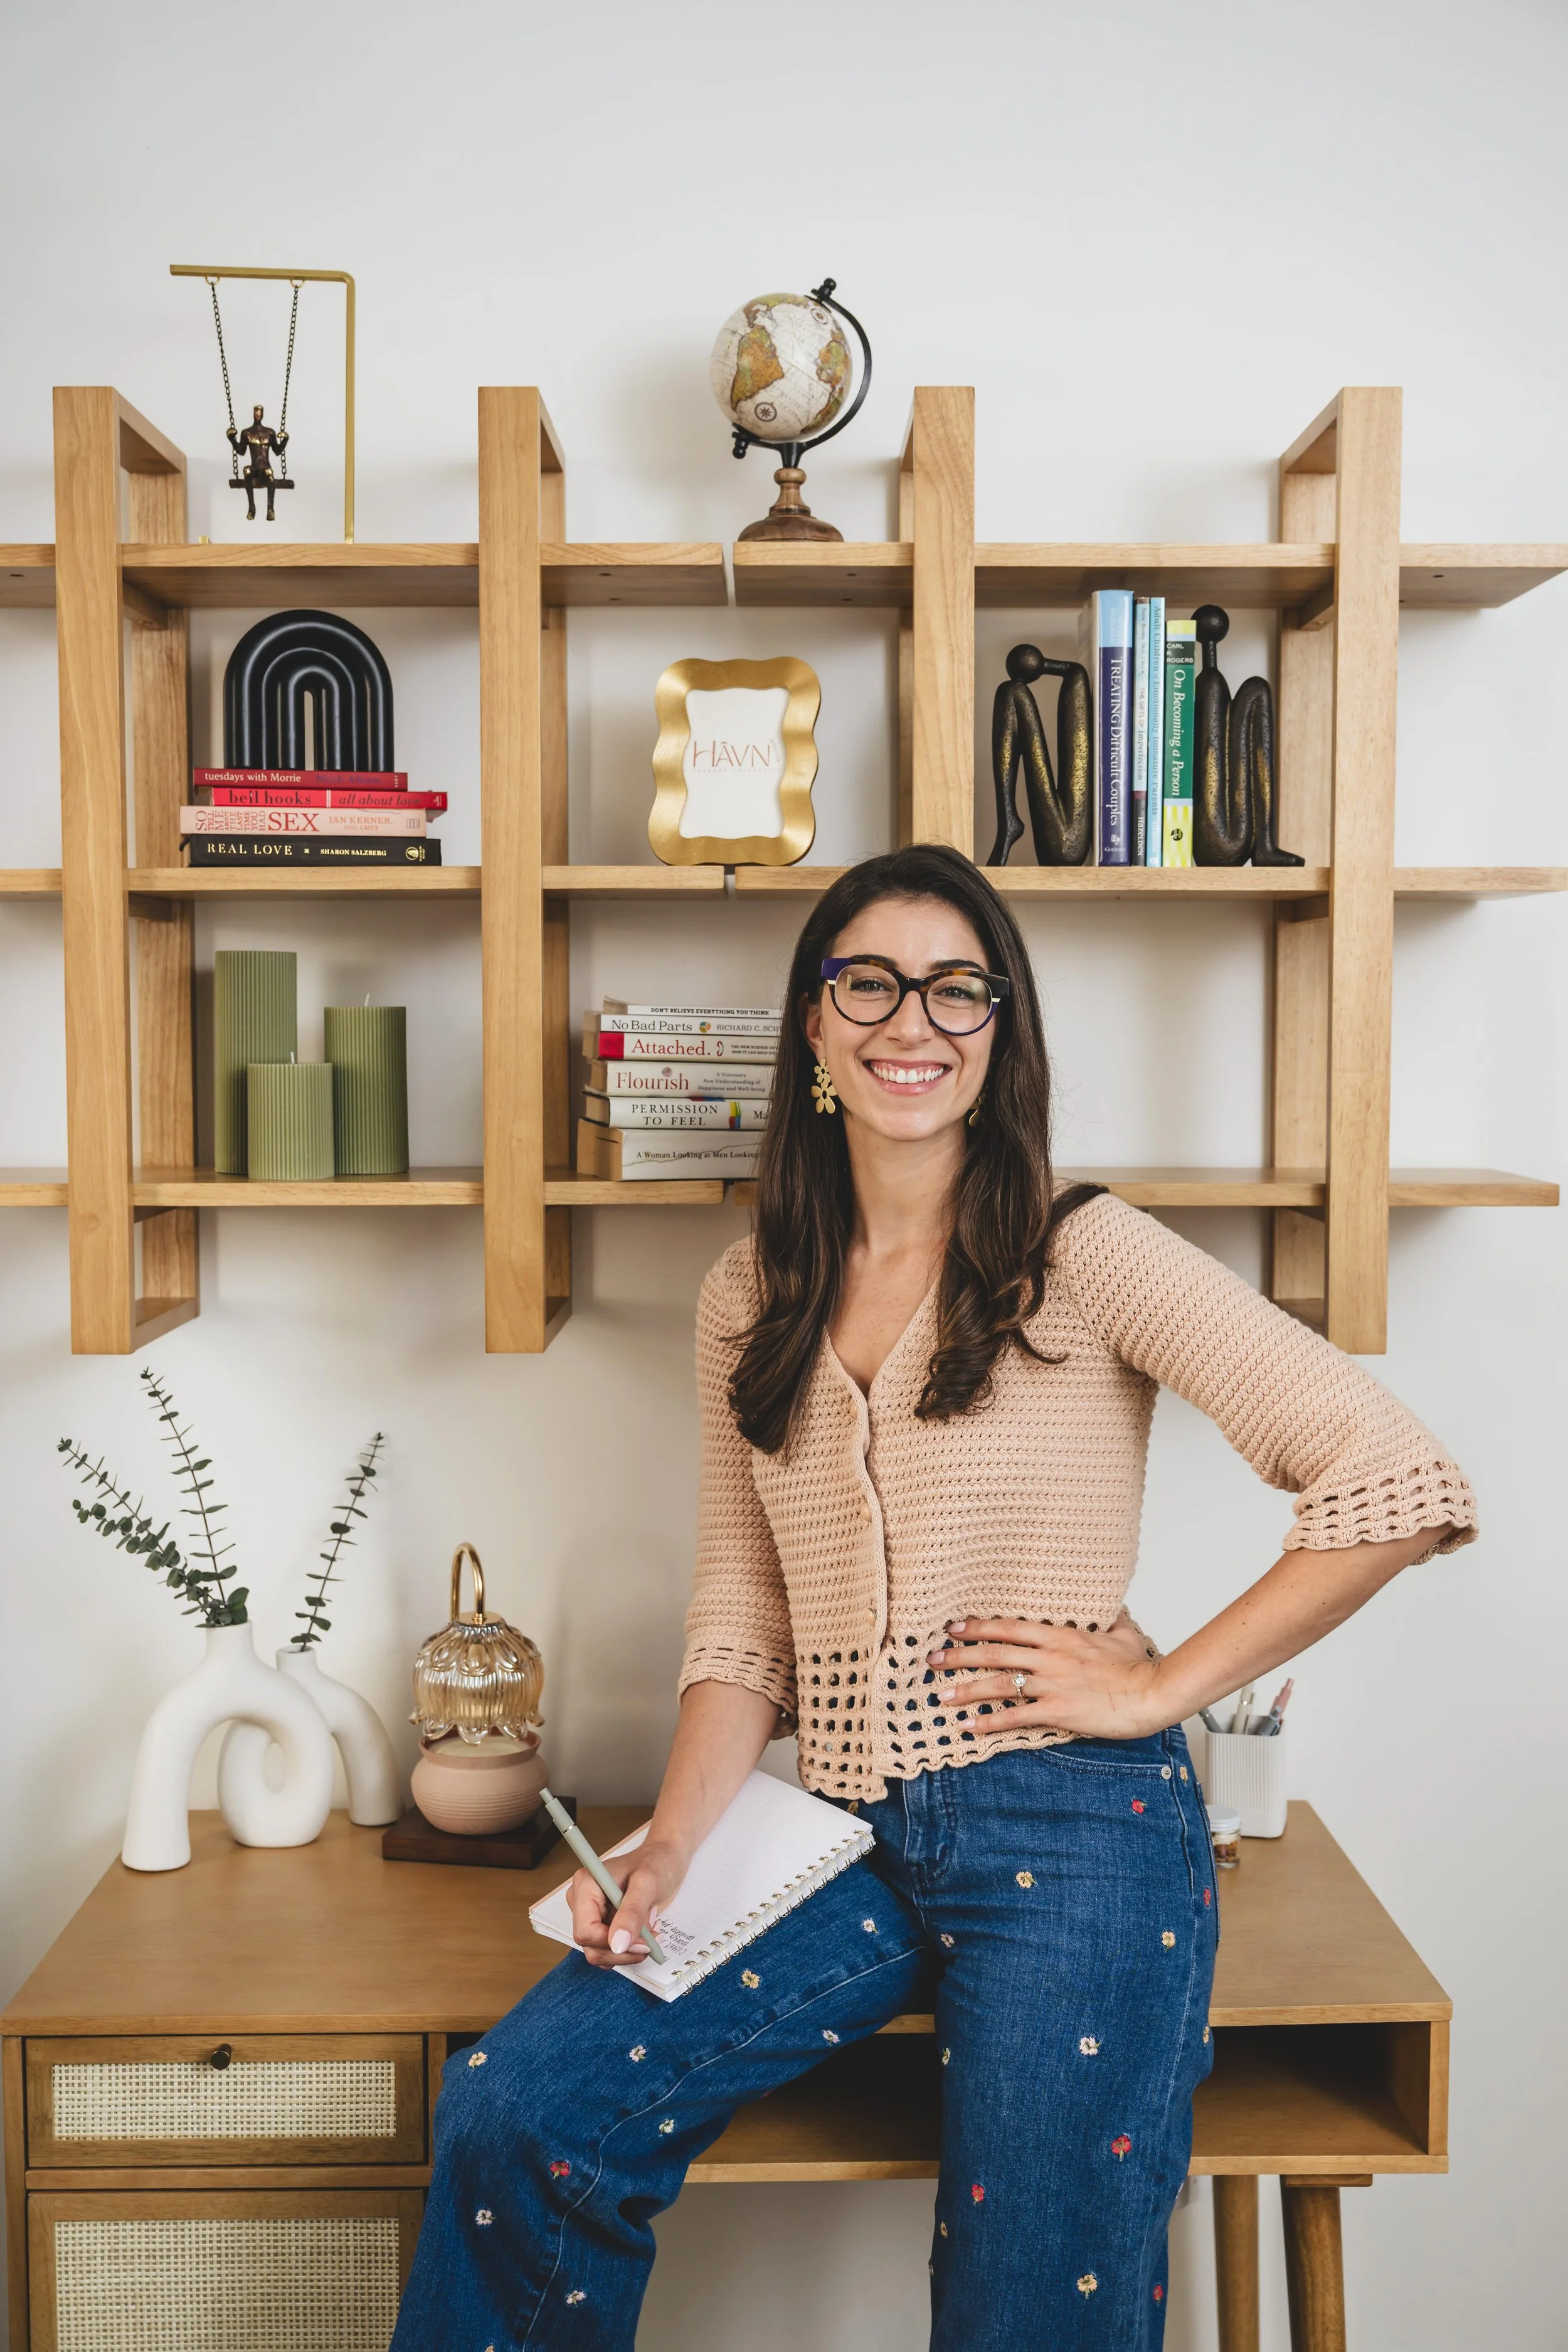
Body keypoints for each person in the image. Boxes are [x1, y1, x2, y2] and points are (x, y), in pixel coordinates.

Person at [391, 845, 1474, 2351]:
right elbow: (739, 1622)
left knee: (1027, 2303)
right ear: (816, 1030)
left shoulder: (1086, 1253)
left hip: (1076, 1826)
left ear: (999, 1028)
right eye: (870, 983)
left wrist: (1151, 1691)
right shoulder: (748, 1288)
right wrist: (669, 1854)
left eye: (957, 988)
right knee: (517, 2119)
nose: (915, 1021)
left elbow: (1393, 1478)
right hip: (834, 1830)